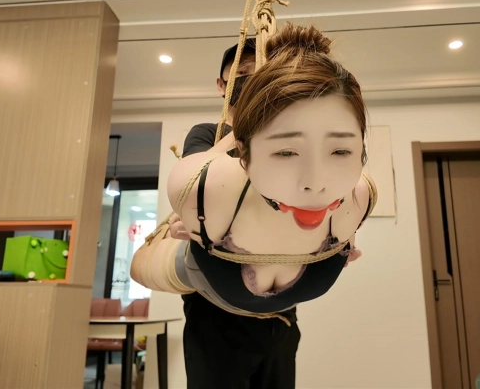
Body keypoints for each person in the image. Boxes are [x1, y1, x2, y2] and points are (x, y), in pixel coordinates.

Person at [133, 24, 374, 389]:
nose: (252, 79)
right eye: (243, 74)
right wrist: (247, 126)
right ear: (223, 85)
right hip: (217, 318)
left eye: (260, 72)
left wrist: (339, 233)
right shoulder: (208, 134)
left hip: (282, 316)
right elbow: (198, 186)